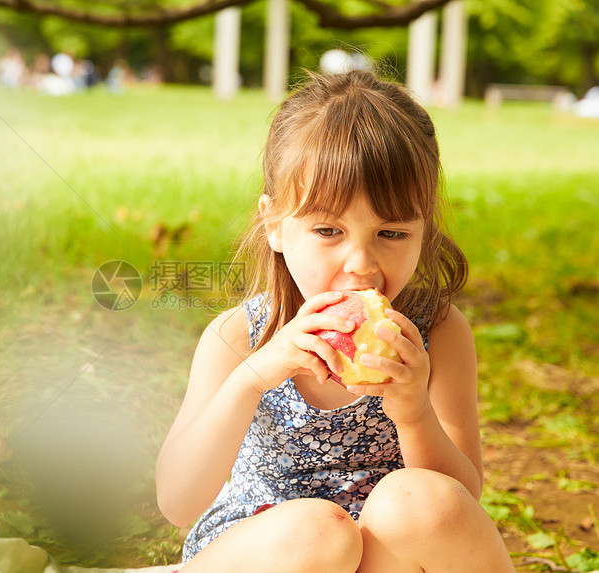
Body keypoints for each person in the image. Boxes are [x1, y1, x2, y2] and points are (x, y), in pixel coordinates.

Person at [155, 70, 515, 572]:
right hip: (274, 550)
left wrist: (413, 410)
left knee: (420, 505)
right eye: (328, 230)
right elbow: (177, 501)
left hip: (388, 556)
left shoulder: (437, 333)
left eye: (391, 233)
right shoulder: (239, 336)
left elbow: (461, 502)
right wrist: (252, 379)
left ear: (423, 230)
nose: (362, 264)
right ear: (275, 227)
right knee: (317, 534)